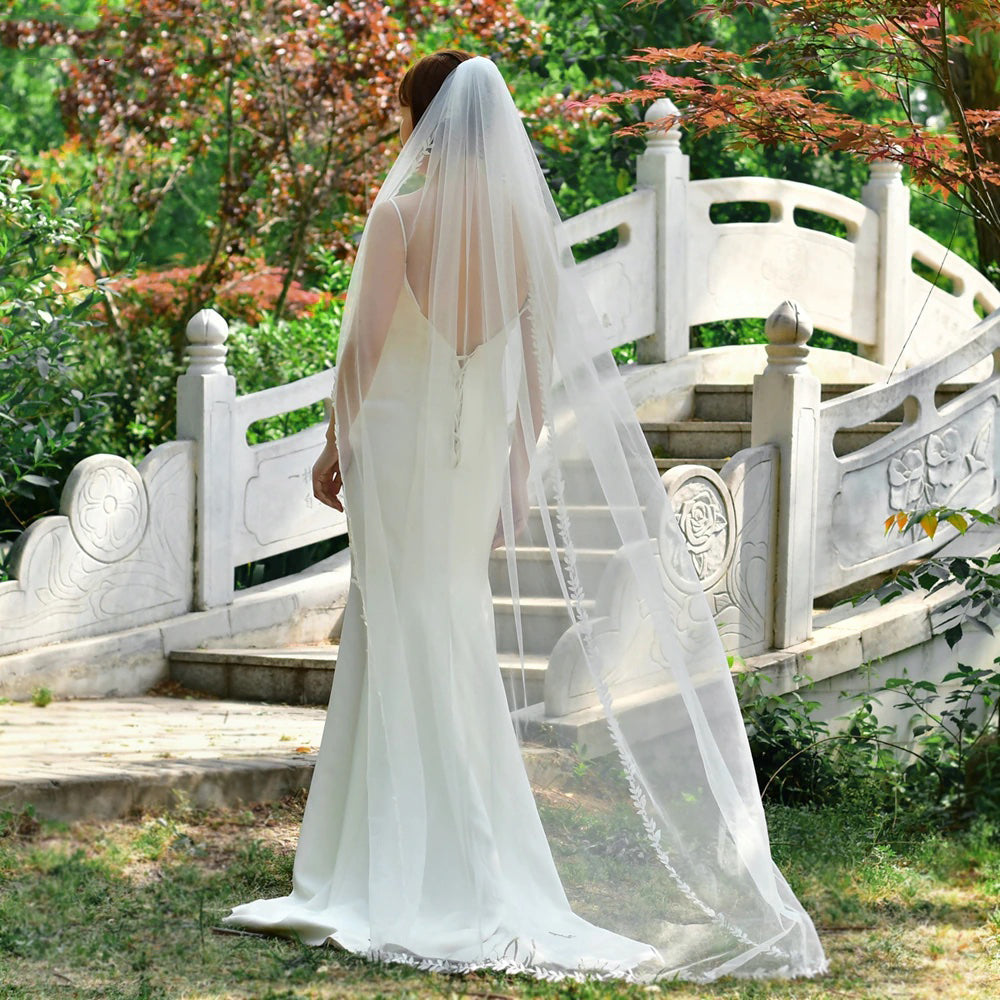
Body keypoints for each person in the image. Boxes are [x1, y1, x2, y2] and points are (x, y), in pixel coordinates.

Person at [222, 51, 828, 983]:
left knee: (392, 632)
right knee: (448, 628)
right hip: (470, 466)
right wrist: (511, 478)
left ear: (424, 124)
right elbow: (536, 379)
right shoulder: (517, 229)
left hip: (396, 451)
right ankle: (458, 852)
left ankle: (385, 862)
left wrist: (331, 447)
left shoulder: (400, 216)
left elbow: (363, 355)